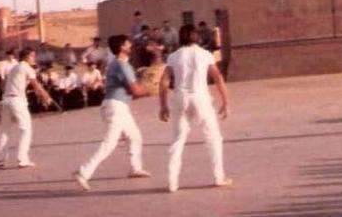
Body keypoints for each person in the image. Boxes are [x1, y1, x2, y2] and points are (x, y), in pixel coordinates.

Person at [73, 34, 152, 191]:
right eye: (128, 44)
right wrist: (149, 89)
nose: (131, 46)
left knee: (134, 136)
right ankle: (84, 172)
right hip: (116, 107)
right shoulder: (122, 65)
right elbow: (135, 90)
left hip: (117, 106)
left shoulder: (117, 64)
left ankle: (135, 168)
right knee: (110, 143)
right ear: (122, 47)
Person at [159, 24, 232, 193]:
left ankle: (172, 181)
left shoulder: (174, 56)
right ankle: (218, 176)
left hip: (181, 97)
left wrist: (163, 105)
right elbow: (217, 77)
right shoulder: (205, 54)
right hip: (201, 97)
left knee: (178, 139)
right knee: (213, 137)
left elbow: (164, 81)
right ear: (196, 37)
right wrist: (226, 101)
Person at [0, 47, 53, 168]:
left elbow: (18, 83)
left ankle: (1, 159)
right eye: (33, 56)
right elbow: (36, 86)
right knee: (25, 129)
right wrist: (47, 97)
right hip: (17, 101)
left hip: (6, 100)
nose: (34, 58)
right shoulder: (27, 68)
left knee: (5, 130)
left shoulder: (15, 67)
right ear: (27, 57)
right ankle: (22, 159)